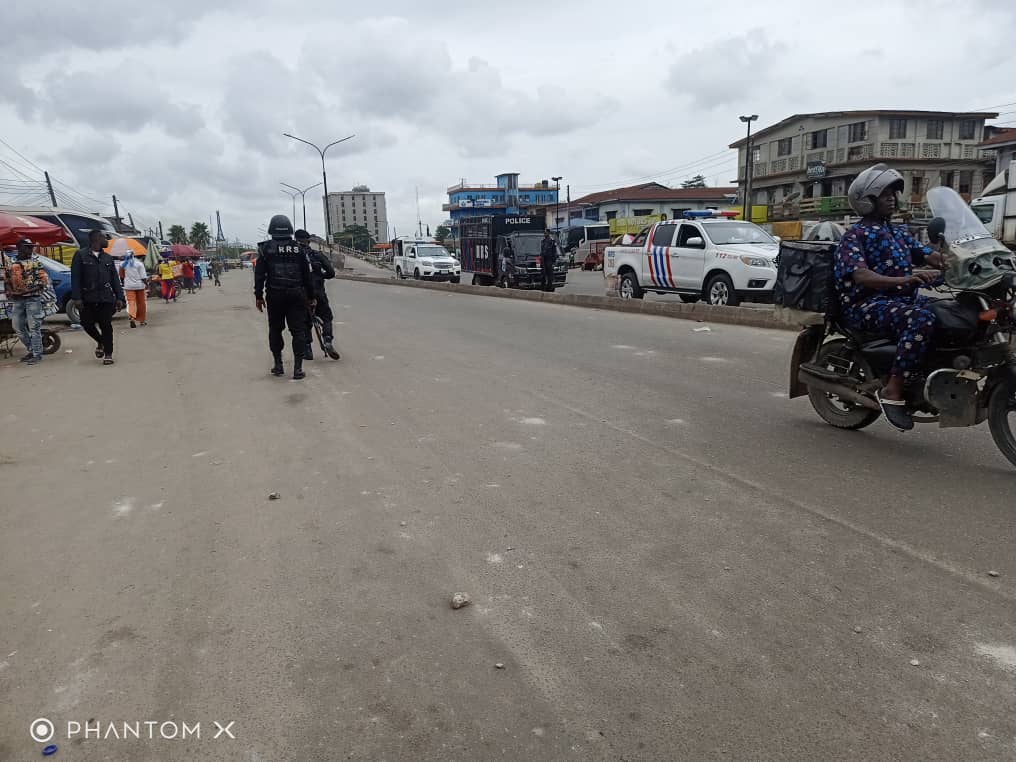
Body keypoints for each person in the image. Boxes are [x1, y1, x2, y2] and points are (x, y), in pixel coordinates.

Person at [834, 163, 946, 431]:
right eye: (885, 195)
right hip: (867, 305)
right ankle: (893, 389)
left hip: (900, 302)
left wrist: (959, 261)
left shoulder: (898, 232)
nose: (892, 199)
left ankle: (929, 375)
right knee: (921, 319)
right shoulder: (855, 235)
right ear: (866, 200)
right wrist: (904, 280)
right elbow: (860, 275)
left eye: (893, 194)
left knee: (949, 312)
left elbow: (930, 256)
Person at [254, 214, 315, 380]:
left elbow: (259, 275)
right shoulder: (299, 248)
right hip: (297, 294)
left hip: (275, 295)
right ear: (290, 230)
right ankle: (297, 369)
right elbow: (307, 276)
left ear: (271, 230)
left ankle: (278, 365)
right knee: (298, 331)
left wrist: (259, 296)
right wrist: (311, 296)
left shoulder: (265, 249)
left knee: (275, 329)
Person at [71, 229, 125, 365]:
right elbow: (75, 278)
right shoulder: (80, 255)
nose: (106, 241)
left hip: (106, 298)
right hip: (87, 298)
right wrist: (76, 298)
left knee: (106, 325)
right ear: (96, 239)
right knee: (86, 324)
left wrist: (120, 298)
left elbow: (115, 279)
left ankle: (108, 354)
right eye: (104, 238)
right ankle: (100, 341)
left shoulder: (107, 258)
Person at [4, 238, 49, 365]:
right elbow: (7, 280)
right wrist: (11, 292)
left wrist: (21, 292)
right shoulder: (11, 262)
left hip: (33, 299)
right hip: (18, 300)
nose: (30, 249)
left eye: (31, 247)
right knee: (17, 327)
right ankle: (32, 350)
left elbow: (42, 283)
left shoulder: (35, 262)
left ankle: (37, 354)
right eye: (27, 247)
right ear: (19, 247)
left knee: (34, 327)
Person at [295, 229, 337, 359]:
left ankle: (307, 349)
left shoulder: (294, 257)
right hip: (318, 292)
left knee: (304, 321)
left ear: (295, 240)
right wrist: (321, 276)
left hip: (302, 293)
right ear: (308, 241)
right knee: (326, 317)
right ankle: (328, 339)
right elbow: (331, 272)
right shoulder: (317, 255)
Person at [120, 252, 148, 328]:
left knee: (131, 302)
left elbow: (121, 276)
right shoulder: (139, 264)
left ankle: (132, 317)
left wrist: (124, 283)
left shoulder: (122, 264)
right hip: (140, 286)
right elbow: (143, 276)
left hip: (128, 286)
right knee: (141, 303)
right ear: (133, 255)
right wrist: (146, 284)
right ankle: (142, 321)